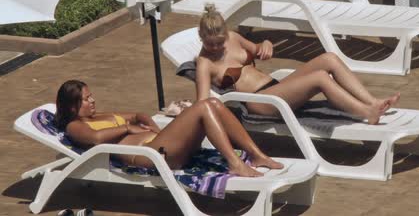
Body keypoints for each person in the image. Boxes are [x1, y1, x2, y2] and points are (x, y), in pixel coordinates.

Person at [195, 4, 401, 125]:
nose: (215, 47)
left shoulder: (233, 37)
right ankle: (367, 114)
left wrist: (266, 44)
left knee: (329, 58)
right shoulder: (204, 64)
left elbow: (257, 49)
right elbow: (203, 102)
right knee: (320, 78)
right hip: (258, 102)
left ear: (225, 33)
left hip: (274, 86)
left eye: (219, 42)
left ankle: (372, 102)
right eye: (209, 43)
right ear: (201, 37)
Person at [54, 80, 283, 176]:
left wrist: (150, 127)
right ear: (72, 107)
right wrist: (127, 128)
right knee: (204, 107)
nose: (92, 101)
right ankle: (235, 164)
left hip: (160, 144)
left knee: (212, 103)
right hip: (150, 157)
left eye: (91, 96)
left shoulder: (100, 115)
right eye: (86, 99)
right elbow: (96, 138)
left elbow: (137, 114)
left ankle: (257, 155)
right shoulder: (74, 126)